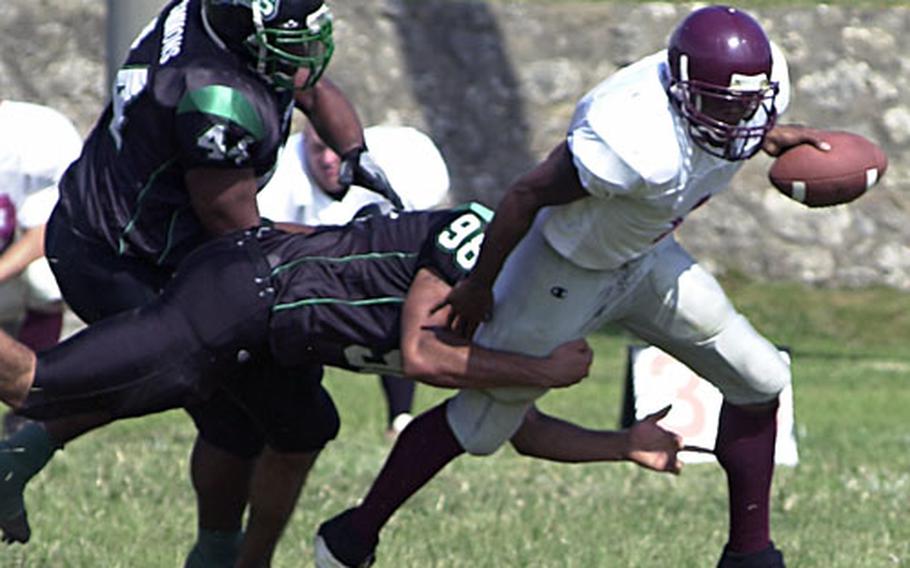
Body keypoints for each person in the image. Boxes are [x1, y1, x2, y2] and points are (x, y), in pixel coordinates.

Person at [313, 6, 832, 568]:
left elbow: (731, 116)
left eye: (748, 108)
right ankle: (351, 538)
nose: (740, 121)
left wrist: (768, 133)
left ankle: (750, 554)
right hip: (562, 271)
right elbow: (525, 196)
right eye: (724, 108)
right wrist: (479, 285)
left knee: (760, 376)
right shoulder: (631, 134)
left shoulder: (746, 94)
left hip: (647, 257)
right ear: (684, 93)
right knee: (484, 423)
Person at [0, 206, 683, 561]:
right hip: (243, 291)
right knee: (37, 382)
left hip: (276, 339)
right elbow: (419, 354)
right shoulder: (481, 240)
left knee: (304, 432)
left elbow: (519, 428)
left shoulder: (533, 314)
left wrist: (623, 443)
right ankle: (17, 457)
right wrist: (544, 371)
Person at [0, 0, 399, 565]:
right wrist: (351, 245)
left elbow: (305, 77)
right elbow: (242, 235)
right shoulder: (215, 97)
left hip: (120, 233)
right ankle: (23, 456)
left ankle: (214, 550)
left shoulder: (213, 21)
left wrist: (354, 151)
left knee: (237, 415)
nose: (306, 50)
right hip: (127, 258)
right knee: (245, 400)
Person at [258, 120, 451, 438]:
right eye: (318, 149)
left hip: (377, 270)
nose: (328, 160)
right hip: (304, 276)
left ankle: (400, 415)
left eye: (334, 148)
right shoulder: (282, 177)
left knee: (403, 298)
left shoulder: (402, 155)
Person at [0, 99, 83, 436]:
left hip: (7, 269)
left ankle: (35, 400)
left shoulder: (32, 134)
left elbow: (44, 232)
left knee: (48, 276)